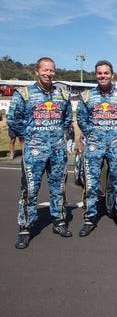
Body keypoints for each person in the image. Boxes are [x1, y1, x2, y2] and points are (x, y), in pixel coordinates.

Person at [7, 57, 73, 249]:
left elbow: (67, 117)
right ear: (36, 71)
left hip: (57, 150)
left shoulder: (61, 94)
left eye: (51, 70)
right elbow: (13, 119)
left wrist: (54, 135)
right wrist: (32, 134)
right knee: (30, 190)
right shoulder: (24, 94)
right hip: (34, 152)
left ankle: (59, 222)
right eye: (45, 70)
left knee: (58, 188)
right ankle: (25, 227)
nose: (48, 74)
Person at [77, 60, 117, 237]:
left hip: (116, 145)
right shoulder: (86, 96)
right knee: (91, 183)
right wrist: (94, 135)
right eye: (100, 73)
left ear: (112, 75)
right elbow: (81, 120)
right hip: (94, 145)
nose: (103, 76)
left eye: (106, 73)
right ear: (96, 75)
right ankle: (89, 218)